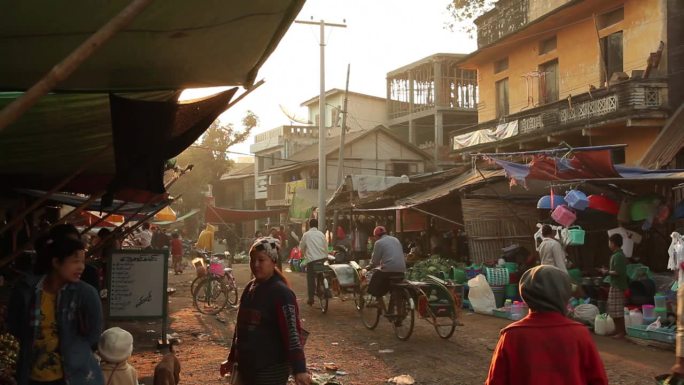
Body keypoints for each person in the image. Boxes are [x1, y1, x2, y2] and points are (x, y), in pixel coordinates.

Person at [485, 265, 608, 385]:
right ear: (564, 294)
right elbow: (598, 380)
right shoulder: (580, 333)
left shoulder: (511, 335)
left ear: (525, 294)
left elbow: (496, 381)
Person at [7, 236, 104, 385]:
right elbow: (15, 326)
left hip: (74, 376)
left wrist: (75, 350)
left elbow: (94, 333)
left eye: (83, 262)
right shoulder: (27, 291)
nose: (81, 267)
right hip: (32, 375)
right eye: (75, 261)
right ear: (56, 262)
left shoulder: (85, 293)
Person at [220, 237, 310, 385]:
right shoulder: (250, 288)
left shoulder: (282, 293)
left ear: (273, 262)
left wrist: (299, 369)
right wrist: (231, 359)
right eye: (252, 260)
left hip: (270, 370)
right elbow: (240, 329)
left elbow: (292, 333)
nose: (255, 265)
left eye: (261, 260)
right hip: (246, 367)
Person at [367, 226, 406, 313]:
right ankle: (398, 312)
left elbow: (375, 261)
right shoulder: (396, 240)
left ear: (376, 236)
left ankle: (380, 304)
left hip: (388, 271)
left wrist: (369, 266)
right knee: (396, 289)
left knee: (375, 284)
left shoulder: (379, 243)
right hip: (401, 270)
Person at [600, 233, 628, 338]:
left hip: (618, 286)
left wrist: (606, 272)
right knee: (613, 310)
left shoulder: (618, 256)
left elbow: (617, 272)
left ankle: (621, 331)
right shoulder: (616, 255)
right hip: (615, 284)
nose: (609, 244)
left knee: (618, 311)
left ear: (613, 243)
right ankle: (617, 330)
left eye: (610, 242)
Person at [299, 219, 328, 306]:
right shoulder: (321, 234)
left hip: (312, 260)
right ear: (317, 225)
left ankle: (311, 298)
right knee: (322, 272)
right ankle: (324, 285)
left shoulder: (306, 235)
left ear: (309, 225)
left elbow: (301, 247)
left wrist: (304, 254)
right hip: (322, 259)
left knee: (310, 278)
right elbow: (325, 246)